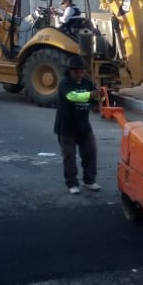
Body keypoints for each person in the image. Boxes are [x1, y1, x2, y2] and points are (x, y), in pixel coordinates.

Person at [54, 55, 100, 195]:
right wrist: (90, 95)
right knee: (69, 156)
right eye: (75, 71)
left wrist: (99, 101)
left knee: (90, 152)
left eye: (81, 71)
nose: (79, 73)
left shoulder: (88, 83)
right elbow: (72, 96)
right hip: (66, 127)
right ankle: (72, 184)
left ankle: (89, 181)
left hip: (84, 126)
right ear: (70, 71)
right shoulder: (64, 84)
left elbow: (95, 101)